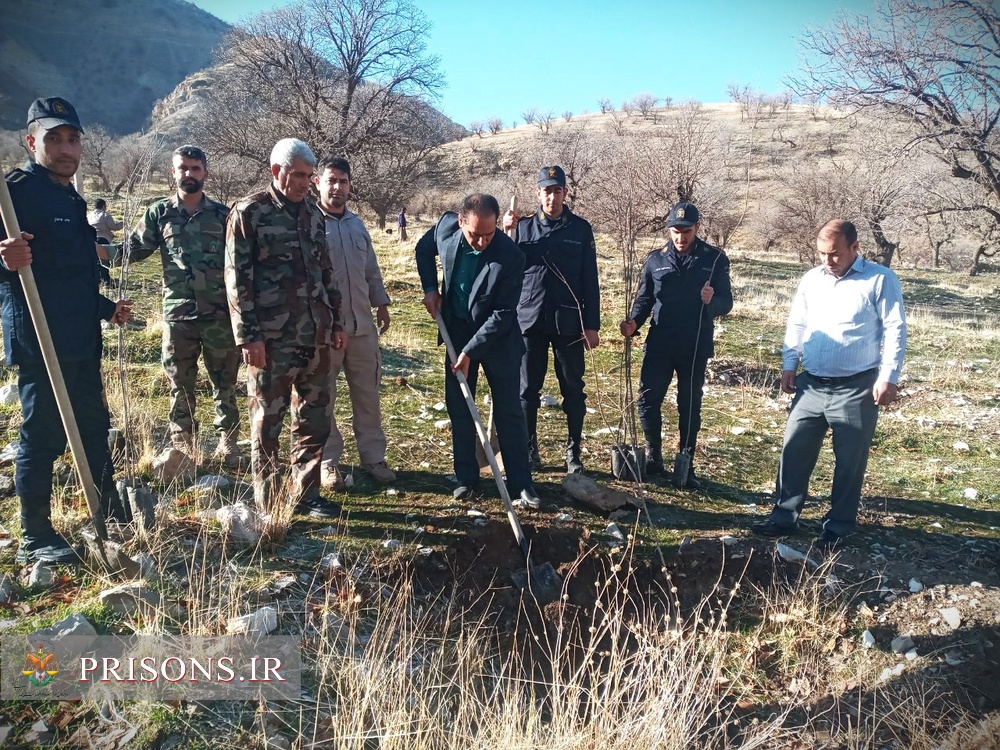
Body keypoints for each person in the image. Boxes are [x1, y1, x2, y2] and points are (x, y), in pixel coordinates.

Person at [0, 97, 133, 564]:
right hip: (39, 339)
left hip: (79, 336)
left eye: (72, 138)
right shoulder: (12, 193)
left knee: (95, 425)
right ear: (32, 141)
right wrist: (2, 260)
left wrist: (105, 307)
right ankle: (35, 532)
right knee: (42, 432)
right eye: (53, 138)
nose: (64, 147)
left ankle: (107, 503)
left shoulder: (72, 198)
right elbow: (13, 266)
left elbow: (70, 275)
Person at [753, 219, 906, 550]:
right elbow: (798, 322)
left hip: (857, 387)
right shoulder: (812, 279)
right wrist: (789, 365)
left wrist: (888, 377)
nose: (828, 260)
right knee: (794, 451)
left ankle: (838, 526)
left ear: (855, 247)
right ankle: (783, 517)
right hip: (811, 385)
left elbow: (895, 328)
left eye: (835, 254)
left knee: (850, 459)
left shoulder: (880, 280)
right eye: (822, 253)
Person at [225, 138, 345, 518]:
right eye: (298, 175)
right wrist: (248, 336)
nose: (306, 183)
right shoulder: (249, 212)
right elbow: (236, 279)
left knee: (315, 418)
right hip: (271, 340)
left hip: (316, 334)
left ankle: (306, 494)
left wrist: (337, 321)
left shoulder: (313, 214)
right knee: (267, 421)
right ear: (276, 171)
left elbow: (326, 272)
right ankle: (269, 500)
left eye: (310, 176)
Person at [415, 193, 542, 509]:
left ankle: (521, 484)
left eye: (490, 233)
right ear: (461, 223)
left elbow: (503, 313)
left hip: (498, 339)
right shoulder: (445, 228)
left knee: (509, 411)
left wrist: (471, 352)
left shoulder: (511, 256)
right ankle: (466, 477)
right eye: (475, 234)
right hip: (456, 329)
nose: (483, 241)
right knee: (460, 406)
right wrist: (431, 288)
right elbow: (422, 249)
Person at [128, 145, 243, 466]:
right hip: (178, 316)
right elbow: (133, 250)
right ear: (173, 172)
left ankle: (228, 444)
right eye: (183, 168)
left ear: (205, 172)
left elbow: (243, 261)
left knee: (226, 383)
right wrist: (89, 247)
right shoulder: (159, 213)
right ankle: (183, 444)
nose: (189, 174)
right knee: (179, 382)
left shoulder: (224, 215)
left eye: (195, 168)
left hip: (220, 314)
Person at [620, 201, 732, 488]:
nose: (681, 238)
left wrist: (711, 302)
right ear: (669, 230)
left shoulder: (715, 259)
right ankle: (653, 456)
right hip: (660, 342)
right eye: (675, 231)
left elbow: (726, 302)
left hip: (694, 344)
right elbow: (645, 300)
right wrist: (633, 323)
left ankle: (686, 462)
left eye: (686, 231)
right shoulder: (655, 260)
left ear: (697, 229)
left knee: (689, 404)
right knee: (647, 398)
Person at [502, 165, 600, 475]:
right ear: (538, 192)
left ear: (565, 193)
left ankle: (574, 453)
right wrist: (506, 233)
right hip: (529, 320)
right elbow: (503, 267)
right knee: (527, 389)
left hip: (568, 323)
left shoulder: (580, 230)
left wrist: (592, 324)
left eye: (557, 190)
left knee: (573, 389)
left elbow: (590, 280)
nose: (552, 196)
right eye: (547, 190)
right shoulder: (523, 228)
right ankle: (530, 450)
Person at [313, 157, 396, 488]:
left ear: (350, 186)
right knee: (324, 396)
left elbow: (371, 269)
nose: (337, 187)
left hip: (362, 327)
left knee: (368, 393)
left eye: (343, 181)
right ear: (318, 182)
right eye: (331, 180)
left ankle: (373, 457)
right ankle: (328, 462)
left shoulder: (357, 225)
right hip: (325, 329)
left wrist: (382, 303)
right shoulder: (309, 224)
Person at [88, 198, 120, 286]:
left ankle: (97, 280)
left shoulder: (89, 215)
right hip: (103, 239)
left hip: (91, 240)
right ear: (103, 206)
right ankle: (107, 281)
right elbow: (113, 226)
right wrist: (123, 224)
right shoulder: (105, 215)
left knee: (94, 261)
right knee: (103, 261)